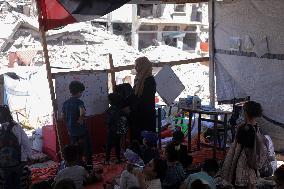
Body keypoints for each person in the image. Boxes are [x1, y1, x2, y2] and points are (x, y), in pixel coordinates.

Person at [220, 101, 268, 189]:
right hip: (251, 164)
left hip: (242, 161)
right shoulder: (256, 126)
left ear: (246, 112)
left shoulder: (245, 128)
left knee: (239, 183)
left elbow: (241, 143)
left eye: (243, 110)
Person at [61, 81, 93, 171]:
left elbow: (62, 117)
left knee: (75, 150)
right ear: (79, 92)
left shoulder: (65, 103)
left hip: (71, 131)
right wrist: (80, 120)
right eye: (81, 92)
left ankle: (77, 167)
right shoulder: (79, 102)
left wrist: (69, 123)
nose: (81, 94)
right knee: (87, 149)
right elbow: (82, 113)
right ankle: (89, 167)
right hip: (81, 131)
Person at [0, 105, 32, 189]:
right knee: (19, 183)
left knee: (7, 184)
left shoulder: (1, 129)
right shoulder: (17, 127)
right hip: (19, 161)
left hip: (4, 164)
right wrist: (28, 156)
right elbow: (26, 143)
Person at [128, 57, 156, 141]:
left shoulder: (149, 81)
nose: (135, 68)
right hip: (138, 113)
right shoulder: (138, 79)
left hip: (146, 115)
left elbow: (145, 100)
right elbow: (134, 94)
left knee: (145, 140)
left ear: (143, 66)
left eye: (137, 65)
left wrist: (131, 108)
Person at [105, 93, 127, 164]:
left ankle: (107, 160)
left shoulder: (109, 110)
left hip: (111, 130)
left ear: (111, 101)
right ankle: (118, 159)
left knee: (108, 146)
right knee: (117, 144)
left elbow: (108, 121)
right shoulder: (120, 110)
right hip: (118, 131)